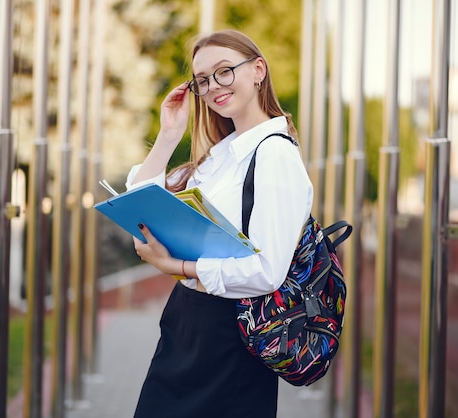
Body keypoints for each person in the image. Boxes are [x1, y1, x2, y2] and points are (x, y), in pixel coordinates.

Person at [127, 29, 313, 418]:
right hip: (186, 322)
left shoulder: (275, 154)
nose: (213, 86)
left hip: (234, 335)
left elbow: (266, 272)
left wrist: (175, 267)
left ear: (258, 69)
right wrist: (168, 135)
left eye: (224, 71)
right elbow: (142, 203)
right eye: (202, 80)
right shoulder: (223, 154)